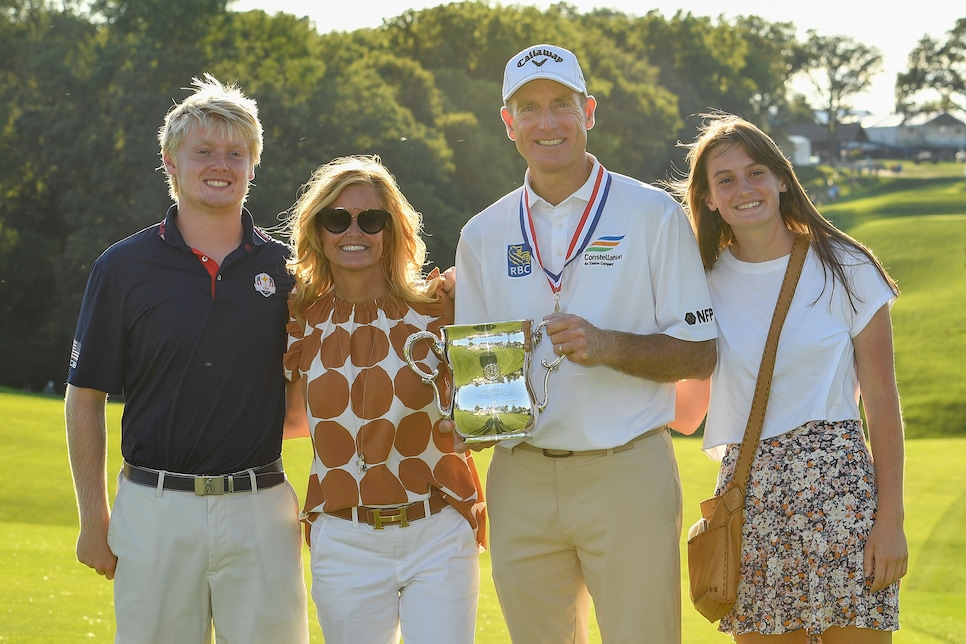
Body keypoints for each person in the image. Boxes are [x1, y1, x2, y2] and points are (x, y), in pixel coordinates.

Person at [452, 44, 718, 643]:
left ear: (588, 112)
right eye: (529, 108)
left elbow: (700, 352)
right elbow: (478, 397)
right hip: (520, 477)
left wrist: (608, 345)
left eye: (561, 105)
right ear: (508, 122)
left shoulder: (652, 213)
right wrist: (499, 362)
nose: (547, 122)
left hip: (625, 469)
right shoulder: (483, 232)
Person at [64, 74, 309, 643]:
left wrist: (438, 293)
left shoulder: (291, 268)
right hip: (153, 510)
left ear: (253, 166)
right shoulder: (122, 267)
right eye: (203, 151)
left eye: (236, 154)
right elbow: (85, 398)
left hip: (261, 509)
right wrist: (93, 521)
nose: (220, 164)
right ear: (171, 163)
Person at [668, 113, 907, 643]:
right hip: (748, 498)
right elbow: (686, 414)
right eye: (724, 180)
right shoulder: (698, 285)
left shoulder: (847, 267)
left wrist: (890, 521)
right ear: (707, 198)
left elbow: (883, 403)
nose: (743, 189)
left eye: (755, 172)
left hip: (843, 493)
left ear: (781, 178)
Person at [282, 154, 486, 644]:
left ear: (391, 230)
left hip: (436, 530)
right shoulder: (301, 319)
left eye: (371, 219)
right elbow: (287, 420)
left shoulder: (440, 309)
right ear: (317, 231)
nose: (354, 231)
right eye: (337, 219)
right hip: (344, 536)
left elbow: (482, 407)